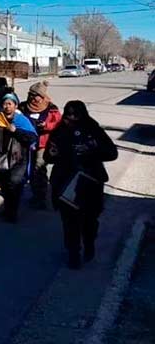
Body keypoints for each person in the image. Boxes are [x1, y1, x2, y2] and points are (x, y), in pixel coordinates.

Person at [45, 101, 118, 269]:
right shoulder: (59, 131)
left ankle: (89, 243)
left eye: (75, 115)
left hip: (90, 182)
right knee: (70, 221)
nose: (71, 118)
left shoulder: (93, 129)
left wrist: (90, 149)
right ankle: (73, 253)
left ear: (82, 115)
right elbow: (49, 158)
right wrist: (52, 153)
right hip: (65, 182)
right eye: (68, 114)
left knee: (90, 220)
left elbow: (112, 153)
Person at [0, 93, 38, 222]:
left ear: (15, 105)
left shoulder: (21, 120)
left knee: (14, 183)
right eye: (4, 104)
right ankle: (8, 209)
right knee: (4, 185)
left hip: (18, 158)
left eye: (10, 104)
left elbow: (32, 138)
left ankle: (12, 213)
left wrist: (16, 131)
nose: (7, 107)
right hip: (0, 158)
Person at [20, 80, 62, 210]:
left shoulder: (51, 109)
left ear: (42, 97)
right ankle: (34, 193)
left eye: (37, 96)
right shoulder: (22, 107)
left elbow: (59, 124)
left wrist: (46, 126)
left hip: (42, 144)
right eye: (31, 95)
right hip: (26, 143)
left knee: (39, 168)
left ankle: (41, 197)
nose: (34, 98)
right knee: (28, 169)